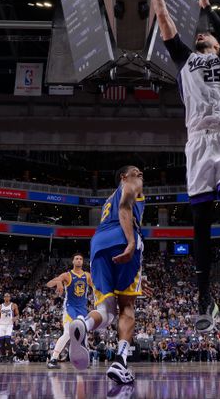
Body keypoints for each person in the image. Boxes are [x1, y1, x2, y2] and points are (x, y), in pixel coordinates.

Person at [148, 0, 220, 332]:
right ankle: (204, 297)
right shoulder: (186, 61)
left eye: (208, 34)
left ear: (216, 45)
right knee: (201, 223)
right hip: (197, 143)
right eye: (201, 33)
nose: (201, 34)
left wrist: (209, 9)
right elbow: (163, 18)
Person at [68, 165, 145, 385]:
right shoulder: (131, 186)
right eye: (136, 172)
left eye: (140, 174)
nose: (140, 176)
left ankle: (84, 324)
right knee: (127, 306)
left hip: (98, 244)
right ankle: (120, 361)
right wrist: (130, 241)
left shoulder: (107, 200)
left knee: (107, 311)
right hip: (124, 237)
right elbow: (124, 208)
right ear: (124, 177)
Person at [46, 252, 93, 369]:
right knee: (67, 333)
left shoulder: (87, 276)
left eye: (80, 259)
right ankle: (53, 359)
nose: (78, 260)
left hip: (82, 309)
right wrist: (58, 282)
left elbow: (97, 287)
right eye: (76, 258)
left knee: (83, 334)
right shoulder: (67, 275)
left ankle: (83, 360)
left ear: (83, 262)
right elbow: (48, 284)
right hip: (70, 308)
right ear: (73, 261)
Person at [0, 293, 19, 361]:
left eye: (8, 296)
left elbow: (17, 315)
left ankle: (10, 354)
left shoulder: (13, 305)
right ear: (4, 298)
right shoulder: (0, 306)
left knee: (7, 340)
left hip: (9, 325)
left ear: (10, 297)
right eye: (5, 296)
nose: (7, 297)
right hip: (2, 325)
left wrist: (15, 318)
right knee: (1, 341)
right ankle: (4, 355)